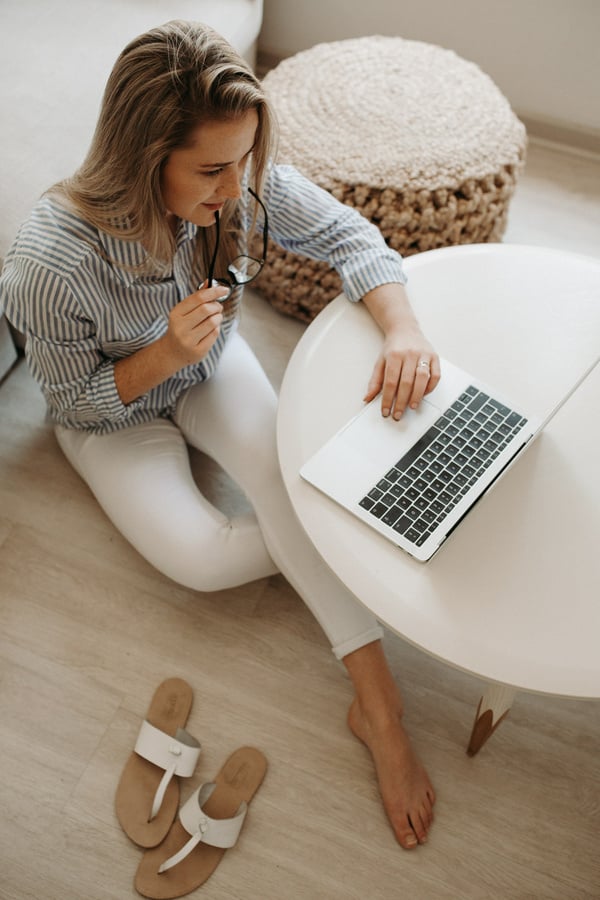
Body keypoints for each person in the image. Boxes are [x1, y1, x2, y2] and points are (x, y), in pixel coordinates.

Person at [0, 20, 441, 849]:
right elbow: (71, 404)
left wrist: (404, 328)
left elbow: (352, 237)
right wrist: (162, 350)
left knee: (289, 488)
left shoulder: (239, 182)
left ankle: (379, 709)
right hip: (113, 418)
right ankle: (342, 516)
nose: (235, 187)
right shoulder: (46, 265)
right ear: (143, 159)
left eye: (243, 161)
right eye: (210, 170)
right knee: (209, 558)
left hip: (207, 372)